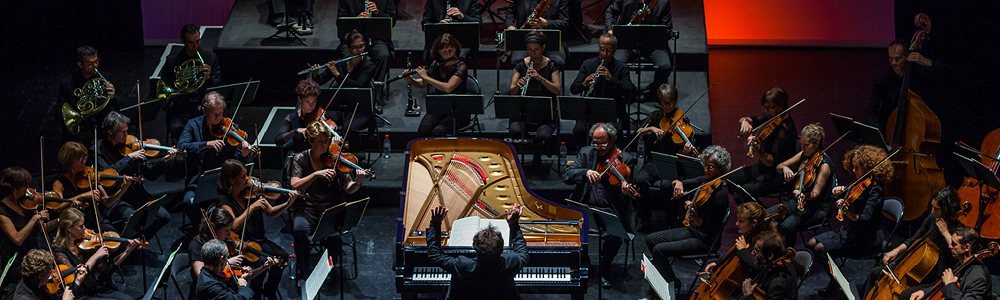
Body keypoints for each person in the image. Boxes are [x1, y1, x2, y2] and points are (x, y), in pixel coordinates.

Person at [288, 121, 368, 287]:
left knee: (333, 238)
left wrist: (358, 182)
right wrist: (316, 174)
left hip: (330, 210)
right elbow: (295, 185)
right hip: (306, 209)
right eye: (320, 142)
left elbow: (348, 188)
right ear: (310, 141)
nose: (325, 145)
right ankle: (304, 274)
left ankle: (327, 271)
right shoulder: (300, 159)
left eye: (327, 141)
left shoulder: (335, 158)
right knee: (300, 230)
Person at [643, 145, 731, 293]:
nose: (706, 170)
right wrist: (678, 183)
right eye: (705, 165)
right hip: (693, 230)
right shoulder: (706, 180)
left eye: (711, 167)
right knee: (651, 239)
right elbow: (683, 182)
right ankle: (668, 278)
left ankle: (671, 283)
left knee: (659, 250)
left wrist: (692, 212)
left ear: (721, 169)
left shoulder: (720, 196)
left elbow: (707, 227)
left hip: (705, 239)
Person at [808, 144, 893, 296]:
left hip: (867, 238)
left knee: (820, 248)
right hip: (853, 231)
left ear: (869, 167)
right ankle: (835, 281)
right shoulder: (861, 183)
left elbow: (865, 218)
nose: (853, 171)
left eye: (857, 167)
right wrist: (841, 192)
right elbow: (851, 197)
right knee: (812, 243)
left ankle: (837, 284)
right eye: (852, 166)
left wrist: (846, 212)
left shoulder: (876, 190)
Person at [562, 123, 635, 288]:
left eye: (602, 143)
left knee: (615, 234)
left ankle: (605, 268)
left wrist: (625, 192)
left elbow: (630, 197)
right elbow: (566, 176)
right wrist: (585, 172)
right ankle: (585, 262)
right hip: (585, 206)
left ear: (612, 140)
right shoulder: (586, 153)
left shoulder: (626, 159)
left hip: (611, 209)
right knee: (573, 227)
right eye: (595, 142)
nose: (599, 147)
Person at [860, 187, 968, 299]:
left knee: (904, 295)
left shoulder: (959, 231)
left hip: (935, 278)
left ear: (947, 211)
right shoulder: (932, 218)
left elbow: (959, 257)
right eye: (932, 207)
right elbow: (913, 240)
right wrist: (896, 251)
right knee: (876, 272)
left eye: (936, 209)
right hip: (916, 269)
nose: (932, 211)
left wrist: (945, 233)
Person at [177, 91, 254, 228]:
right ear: (204, 110)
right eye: (214, 114)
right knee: (188, 202)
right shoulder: (193, 125)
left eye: (221, 112)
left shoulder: (231, 128)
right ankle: (203, 231)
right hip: (199, 181)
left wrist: (243, 154)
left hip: (226, 182)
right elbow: (182, 145)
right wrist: (206, 144)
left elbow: (236, 160)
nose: (219, 118)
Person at [94, 111, 175, 239]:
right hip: (117, 199)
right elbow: (107, 174)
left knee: (164, 216)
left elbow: (151, 174)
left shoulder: (131, 145)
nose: (127, 135)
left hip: (137, 195)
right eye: (122, 132)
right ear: (110, 132)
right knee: (134, 222)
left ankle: (140, 242)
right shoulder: (97, 150)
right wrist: (129, 158)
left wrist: (164, 160)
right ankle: (130, 247)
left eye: (127, 131)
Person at [216, 159, 290, 299]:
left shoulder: (251, 193)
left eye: (246, 175)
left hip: (258, 240)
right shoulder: (224, 200)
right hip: (240, 246)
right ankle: (255, 295)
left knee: (283, 256)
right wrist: (252, 208)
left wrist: (288, 203)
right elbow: (234, 225)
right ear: (231, 180)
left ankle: (269, 290)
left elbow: (271, 211)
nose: (248, 179)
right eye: (243, 177)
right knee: (263, 262)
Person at [426, 204, 529, 299]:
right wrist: (514, 224)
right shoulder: (511, 263)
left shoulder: (463, 265)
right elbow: (523, 253)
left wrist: (435, 224)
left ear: (474, 247)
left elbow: (435, 255)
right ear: (501, 248)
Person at [631, 84, 694, 230]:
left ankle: (672, 219)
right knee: (641, 180)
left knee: (667, 185)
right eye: (666, 103)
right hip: (654, 161)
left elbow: (689, 146)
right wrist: (651, 128)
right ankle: (645, 217)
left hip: (673, 163)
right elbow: (638, 131)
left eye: (672, 102)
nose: (670, 106)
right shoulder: (655, 116)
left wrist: (685, 151)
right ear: (660, 102)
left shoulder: (683, 119)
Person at [865, 39, 951, 134]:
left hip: (916, 129)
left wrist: (927, 62)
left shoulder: (919, 74)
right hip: (889, 131)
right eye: (890, 58)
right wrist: (877, 133)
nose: (893, 62)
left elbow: (949, 74)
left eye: (898, 58)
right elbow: (871, 110)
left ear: (907, 56)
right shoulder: (882, 79)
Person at [52, 208, 140, 300]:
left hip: (93, 288)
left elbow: (105, 270)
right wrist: (95, 256)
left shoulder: (85, 245)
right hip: (80, 295)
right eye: (81, 226)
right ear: (69, 228)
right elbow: (76, 280)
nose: (84, 228)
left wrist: (126, 252)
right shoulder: (60, 253)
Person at [696, 202, 777, 300]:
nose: (736, 224)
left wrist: (743, 250)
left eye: (741, 221)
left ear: (754, 223)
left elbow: (760, 267)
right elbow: (733, 254)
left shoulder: (764, 243)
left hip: (751, 288)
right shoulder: (749, 235)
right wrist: (718, 263)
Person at [770, 123, 833, 246]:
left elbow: (815, 194)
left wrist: (802, 195)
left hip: (817, 207)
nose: (802, 148)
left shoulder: (824, 165)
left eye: (806, 145)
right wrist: (785, 169)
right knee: (768, 216)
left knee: (787, 225)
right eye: (801, 144)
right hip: (799, 201)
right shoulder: (804, 155)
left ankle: (788, 255)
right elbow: (779, 167)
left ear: (817, 144)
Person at [733, 87, 798, 204]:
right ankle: (751, 206)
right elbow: (747, 119)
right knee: (728, 180)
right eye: (765, 107)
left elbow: (771, 161)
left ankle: (763, 217)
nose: (766, 111)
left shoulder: (786, 130)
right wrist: (744, 122)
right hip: (763, 167)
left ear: (781, 106)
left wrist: (757, 149)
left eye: (769, 108)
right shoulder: (772, 117)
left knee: (740, 193)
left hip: (777, 175)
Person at [509, 31, 562, 171]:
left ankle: (537, 152)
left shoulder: (552, 65)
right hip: (524, 114)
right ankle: (535, 145)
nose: (533, 54)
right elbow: (512, 91)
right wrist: (518, 85)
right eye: (530, 50)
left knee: (543, 134)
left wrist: (540, 78)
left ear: (543, 48)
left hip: (545, 115)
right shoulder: (520, 65)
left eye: (536, 50)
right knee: (514, 130)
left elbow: (557, 89)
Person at [570, 32, 635, 142]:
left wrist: (611, 79)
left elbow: (629, 91)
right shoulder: (588, 65)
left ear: (615, 50)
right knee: (579, 130)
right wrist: (584, 84)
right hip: (590, 111)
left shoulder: (621, 68)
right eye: (602, 49)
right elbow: (574, 88)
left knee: (616, 131)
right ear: (598, 47)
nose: (604, 53)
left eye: (608, 50)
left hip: (613, 112)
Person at [52, 141, 129, 233]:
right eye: (79, 159)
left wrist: (122, 190)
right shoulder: (59, 183)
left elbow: (107, 202)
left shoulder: (89, 175)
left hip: (97, 222)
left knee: (118, 240)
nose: (84, 162)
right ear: (69, 160)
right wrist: (82, 196)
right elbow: (58, 208)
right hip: (77, 228)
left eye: (85, 158)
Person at [0, 167, 58, 288]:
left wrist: (60, 220)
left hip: (33, 256)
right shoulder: (2, 211)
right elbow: (17, 239)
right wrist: (35, 218)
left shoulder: (26, 204)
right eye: (24, 185)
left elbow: (42, 229)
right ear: (14, 188)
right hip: (17, 262)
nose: (28, 188)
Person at [402, 33, 470, 137]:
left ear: (456, 49)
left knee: (438, 132)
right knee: (423, 129)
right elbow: (422, 84)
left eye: (450, 51)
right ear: (438, 52)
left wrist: (426, 77)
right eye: (444, 52)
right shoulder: (436, 64)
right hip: (440, 107)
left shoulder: (461, 66)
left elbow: (448, 88)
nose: (447, 54)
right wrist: (410, 80)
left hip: (458, 111)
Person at [605, 0, 672, 101]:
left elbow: (667, 30)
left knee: (665, 65)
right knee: (615, 62)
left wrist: (655, 36)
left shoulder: (662, 2)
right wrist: (609, 30)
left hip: (652, 46)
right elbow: (610, 10)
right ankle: (628, 89)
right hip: (628, 44)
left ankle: (653, 91)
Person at [164, 24, 222, 141]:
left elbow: (218, 87)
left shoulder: (210, 58)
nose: (196, 46)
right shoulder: (173, 61)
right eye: (191, 42)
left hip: (202, 108)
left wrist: (208, 78)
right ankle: (190, 149)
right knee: (175, 127)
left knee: (210, 127)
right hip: (180, 110)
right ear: (182, 41)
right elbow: (165, 86)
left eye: (198, 41)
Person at [902, 226, 993, 300]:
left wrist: (950, 284)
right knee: (906, 295)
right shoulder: (961, 263)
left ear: (967, 247)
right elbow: (942, 285)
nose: (949, 246)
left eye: (954, 244)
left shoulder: (978, 276)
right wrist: (924, 292)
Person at [308, 30, 379, 120]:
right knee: (326, 122)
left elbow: (359, 85)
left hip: (359, 106)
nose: (359, 50)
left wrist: (337, 75)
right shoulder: (340, 64)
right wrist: (315, 75)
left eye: (361, 46)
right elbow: (320, 81)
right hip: (340, 104)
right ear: (348, 48)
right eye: (355, 47)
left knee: (350, 127)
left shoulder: (369, 66)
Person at [58, 46, 121, 145]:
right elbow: (59, 113)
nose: (95, 65)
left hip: (102, 129)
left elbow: (120, 104)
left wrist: (112, 97)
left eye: (97, 61)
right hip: (81, 131)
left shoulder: (105, 78)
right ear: (80, 64)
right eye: (90, 63)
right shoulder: (68, 83)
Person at [337, 0, 395, 98]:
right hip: (354, 41)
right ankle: (351, 92)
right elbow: (340, 22)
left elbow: (392, 21)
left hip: (377, 38)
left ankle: (375, 95)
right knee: (348, 54)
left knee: (383, 55)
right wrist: (356, 21)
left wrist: (378, 13)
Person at [273, 80, 346, 157]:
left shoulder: (321, 115)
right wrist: (295, 131)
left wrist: (334, 144)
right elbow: (278, 141)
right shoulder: (292, 118)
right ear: (299, 99)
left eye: (314, 102)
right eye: (307, 102)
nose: (311, 105)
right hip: (301, 160)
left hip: (321, 159)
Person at [504, 0, 569, 66]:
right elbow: (510, 13)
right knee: (517, 60)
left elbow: (564, 23)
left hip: (551, 42)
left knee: (557, 61)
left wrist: (546, 23)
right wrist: (510, 26)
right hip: (525, 41)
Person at [738, 231, 798, 300]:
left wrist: (748, 295)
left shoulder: (778, 285)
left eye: (756, 250)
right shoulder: (775, 264)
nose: (752, 253)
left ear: (770, 255)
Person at [13, 249, 81, 300]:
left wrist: (78, 281)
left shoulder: (36, 284)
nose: (52, 272)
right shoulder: (24, 298)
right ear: (40, 276)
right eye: (49, 272)